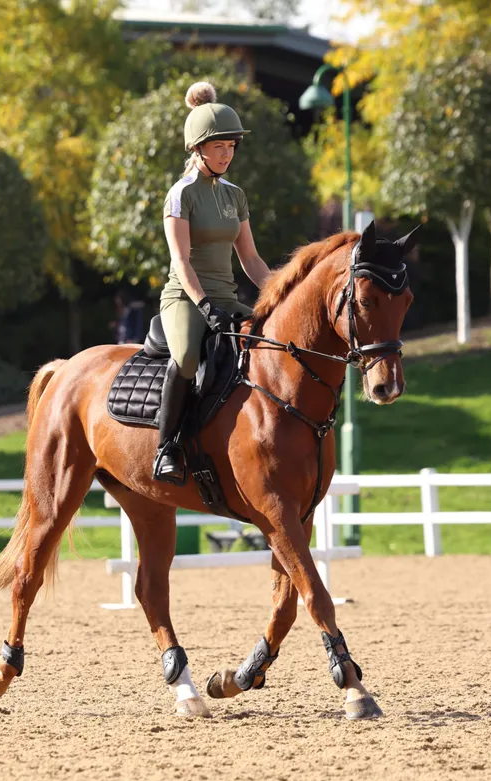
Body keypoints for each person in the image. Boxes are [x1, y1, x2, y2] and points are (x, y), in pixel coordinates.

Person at [154, 81, 271, 484]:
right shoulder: (180, 194)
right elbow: (181, 261)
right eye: (219, 146)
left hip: (228, 299)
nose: (227, 153)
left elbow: (251, 259)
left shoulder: (235, 195)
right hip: (186, 299)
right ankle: (166, 447)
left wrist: (277, 294)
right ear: (198, 148)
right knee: (186, 357)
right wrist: (205, 306)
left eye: (232, 146)